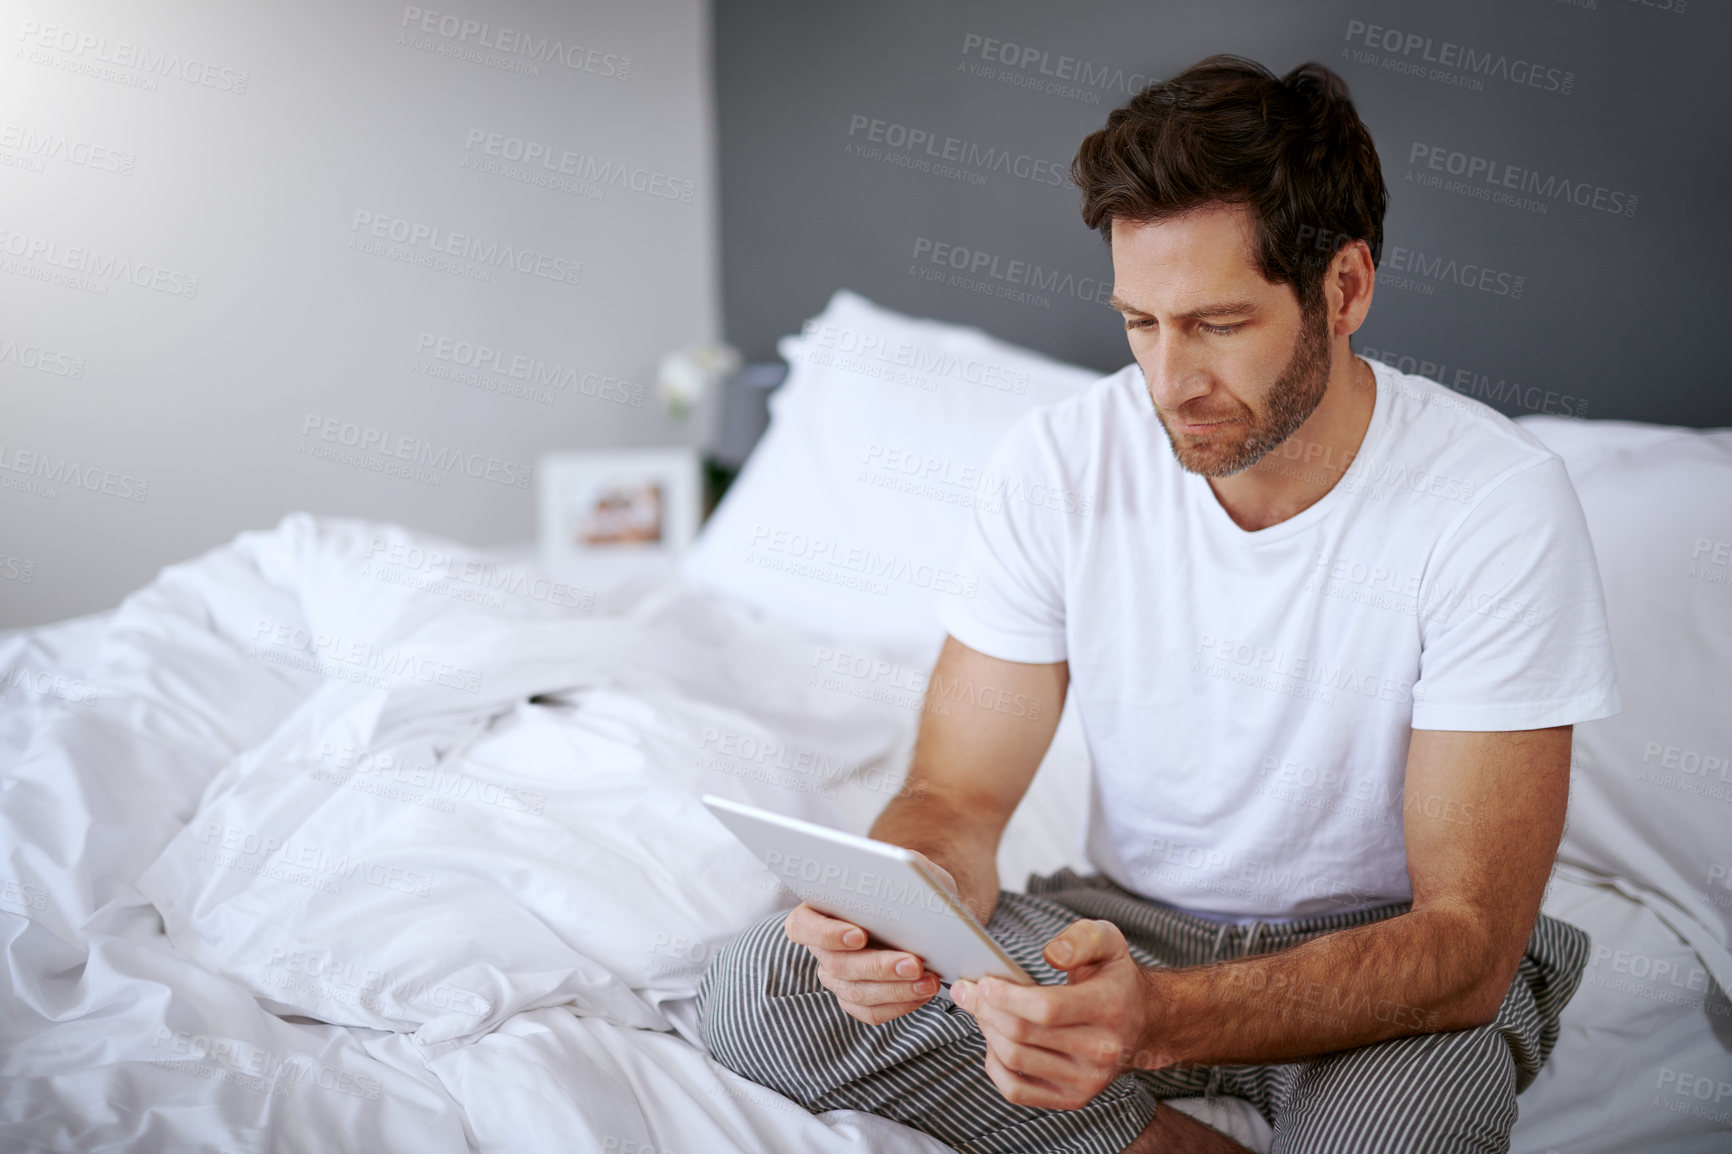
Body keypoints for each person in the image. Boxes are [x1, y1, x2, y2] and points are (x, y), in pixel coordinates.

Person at [696, 53, 1619, 1154]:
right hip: (1120, 924)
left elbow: (1469, 941)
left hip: (1375, 972)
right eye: (1140, 322)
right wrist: (890, 921)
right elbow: (955, 794)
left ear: (1344, 288)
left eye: (1218, 324)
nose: (1168, 380)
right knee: (770, 987)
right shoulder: (1059, 459)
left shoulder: (1491, 502)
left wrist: (1155, 1022)